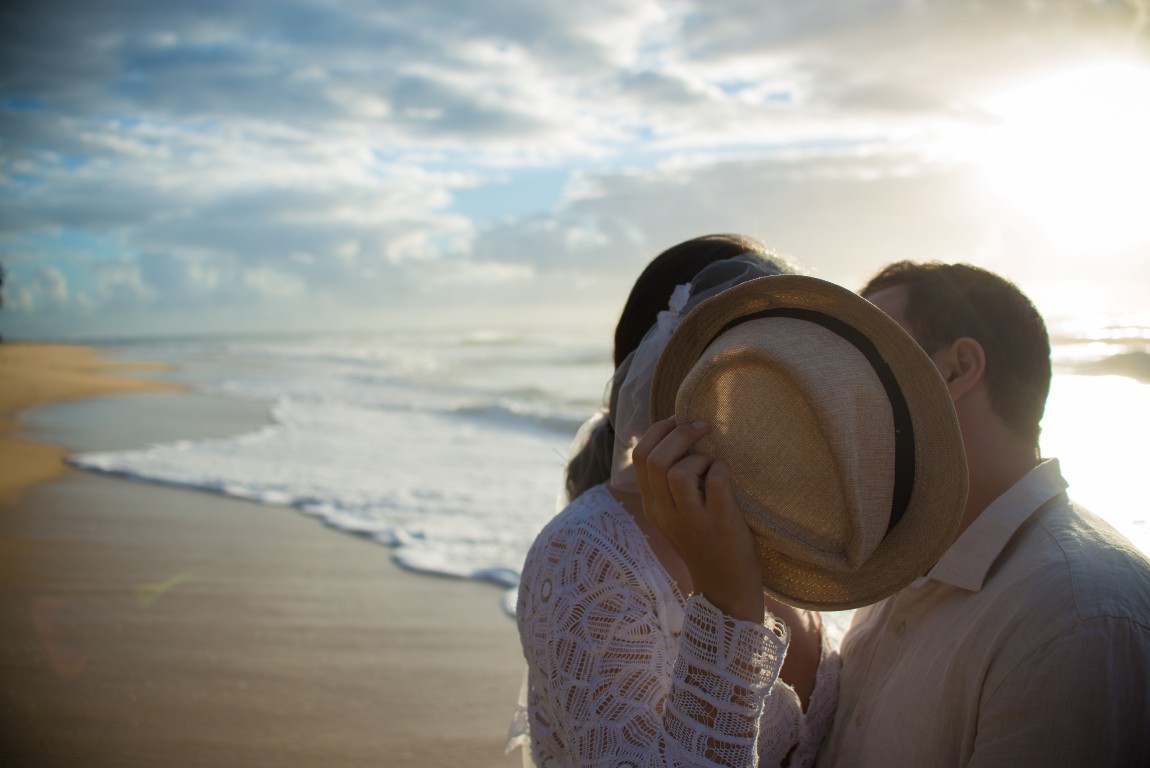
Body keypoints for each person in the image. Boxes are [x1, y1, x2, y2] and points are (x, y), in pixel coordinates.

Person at [513, 235, 838, 767]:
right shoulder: (584, 555)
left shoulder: (799, 532)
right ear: (663, 372)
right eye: (744, 363)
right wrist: (728, 606)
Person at [810, 262, 1150, 765]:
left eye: (863, 358)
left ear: (957, 369)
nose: (835, 391)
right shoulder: (910, 560)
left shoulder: (1076, 617)